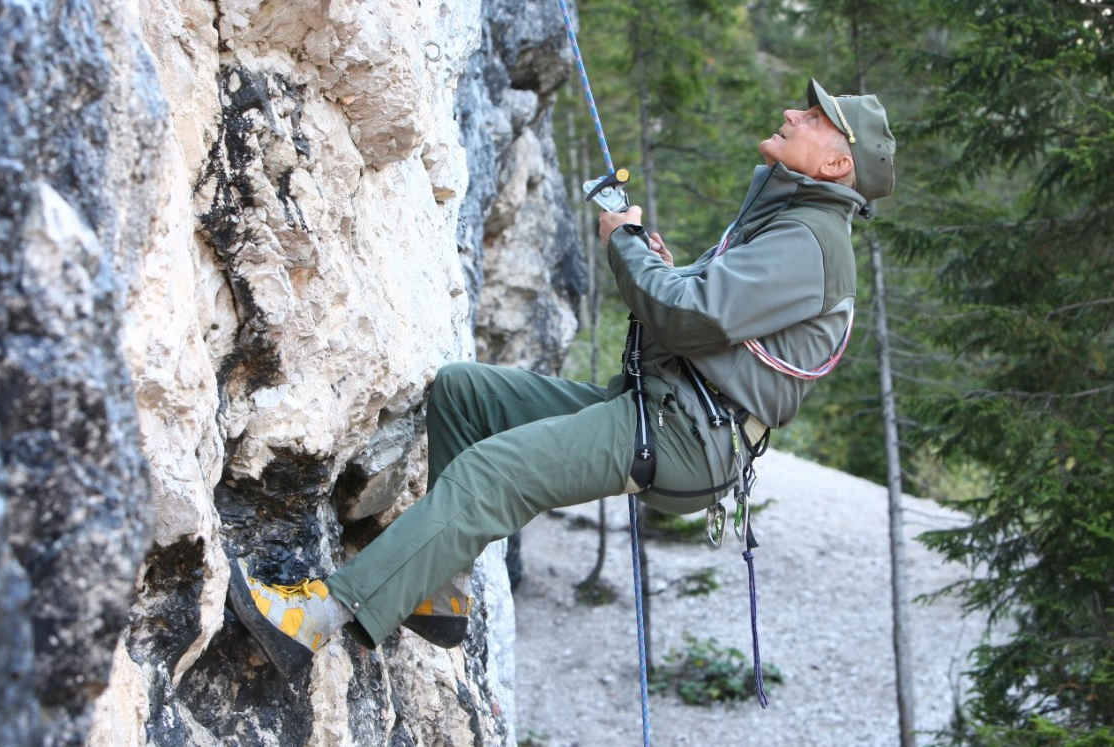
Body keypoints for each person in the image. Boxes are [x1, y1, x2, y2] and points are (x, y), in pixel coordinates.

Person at [227, 79, 896, 678]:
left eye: (812, 116)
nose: (791, 112)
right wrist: (651, 260)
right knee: (464, 393)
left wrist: (626, 247)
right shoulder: (784, 217)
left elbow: (689, 320)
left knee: (495, 471)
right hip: (660, 409)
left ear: (837, 164)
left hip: (686, 436)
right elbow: (708, 307)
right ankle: (436, 590)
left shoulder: (809, 237)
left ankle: (317, 619)